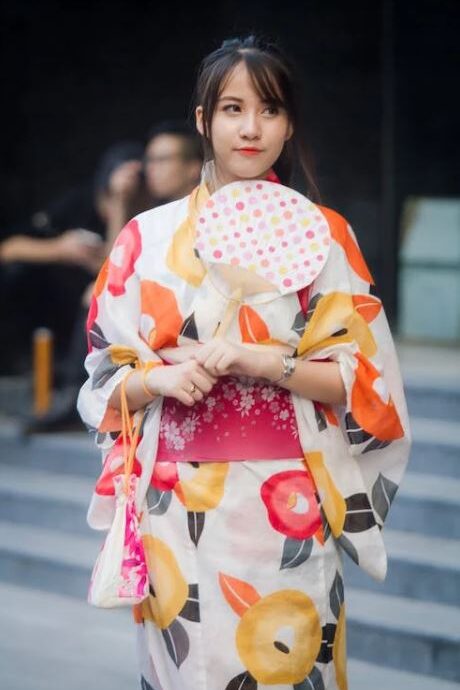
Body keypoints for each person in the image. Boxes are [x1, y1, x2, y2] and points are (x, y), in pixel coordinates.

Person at [77, 35, 411, 690]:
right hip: (176, 508)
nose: (251, 128)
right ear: (203, 121)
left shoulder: (327, 236)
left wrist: (266, 363)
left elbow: (366, 385)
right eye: (232, 109)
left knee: (287, 666)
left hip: (287, 503)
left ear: (290, 125)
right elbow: (101, 377)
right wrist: (159, 378)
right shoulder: (145, 240)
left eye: (270, 110)